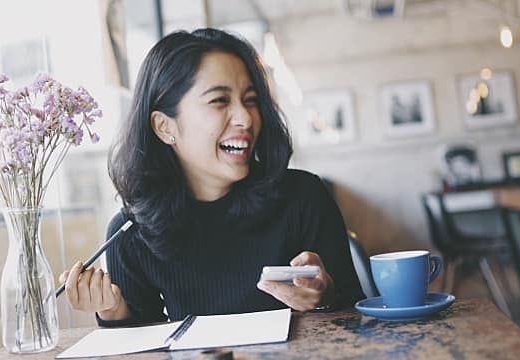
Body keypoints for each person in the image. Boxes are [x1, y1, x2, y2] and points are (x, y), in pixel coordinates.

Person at [59, 28, 365, 326]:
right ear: (165, 127)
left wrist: (324, 299)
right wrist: (113, 312)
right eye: (220, 100)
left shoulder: (304, 197)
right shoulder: (131, 234)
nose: (246, 118)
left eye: (251, 99)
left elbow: (357, 318)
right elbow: (147, 343)